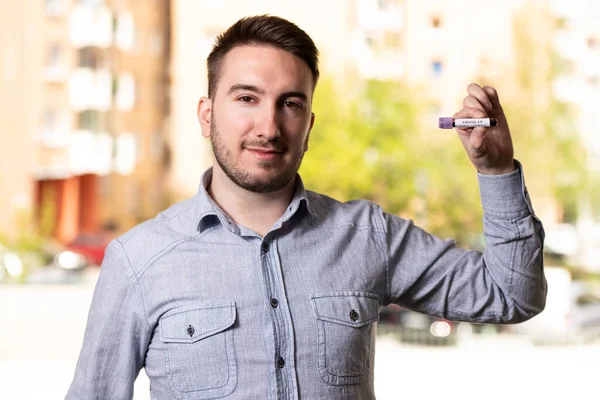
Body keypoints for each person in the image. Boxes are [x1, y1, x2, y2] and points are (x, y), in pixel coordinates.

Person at [66, 15, 546, 400]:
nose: (269, 126)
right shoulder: (138, 260)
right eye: (247, 98)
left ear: (308, 124)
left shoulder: (367, 236)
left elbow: (512, 295)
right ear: (207, 115)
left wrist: (497, 171)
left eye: (290, 103)